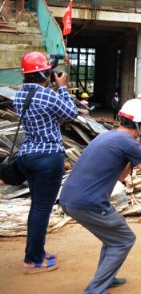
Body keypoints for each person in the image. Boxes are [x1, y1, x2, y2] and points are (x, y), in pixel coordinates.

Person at [59, 99, 141, 293]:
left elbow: (122, 176)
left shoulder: (110, 136)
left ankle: (108, 276)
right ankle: (95, 290)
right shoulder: (126, 143)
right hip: (89, 202)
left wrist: (138, 151)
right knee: (124, 239)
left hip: (72, 198)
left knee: (112, 238)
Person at [13, 52, 77, 274]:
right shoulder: (49, 96)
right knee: (42, 208)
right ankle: (32, 259)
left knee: (37, 206)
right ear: (44, 73)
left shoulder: (19, 96)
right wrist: (62, 87)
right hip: (48, 157)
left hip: (27, 156)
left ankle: (36, 251)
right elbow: (71, 114)